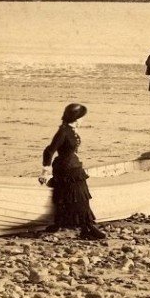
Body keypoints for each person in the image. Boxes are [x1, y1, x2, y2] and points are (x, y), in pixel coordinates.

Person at [41, 103, 106, 240]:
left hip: (72, 166)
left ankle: (61, 223)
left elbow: (69, 149)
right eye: (82, 117)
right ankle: (86, 228)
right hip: (66, 169)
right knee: (79, 195)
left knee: (72, 196)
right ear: (76, 118)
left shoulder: (70, 130)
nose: (83, 120)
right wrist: (45, 171)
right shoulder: (63, 131)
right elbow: (49, 151)